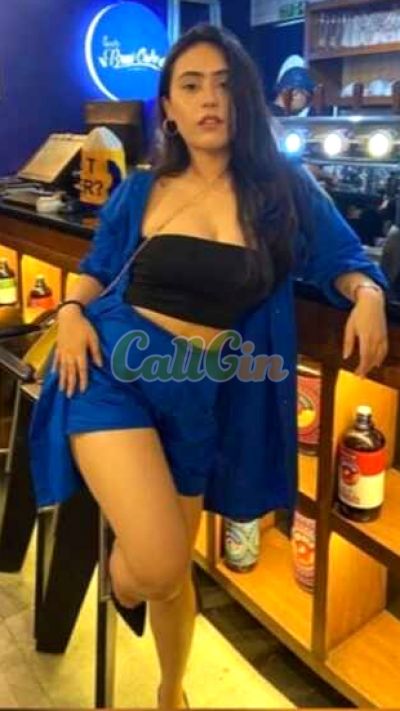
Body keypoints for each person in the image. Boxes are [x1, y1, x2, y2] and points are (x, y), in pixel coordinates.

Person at [29, 23, 388, 710]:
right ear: (168, 106)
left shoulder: (282, 188)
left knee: (173, 575)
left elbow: (344, 257)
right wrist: (71, 311)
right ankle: (121, 579)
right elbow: (97, 267)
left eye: (223, 84)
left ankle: (171, 691)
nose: (209, 99)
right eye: (190, 86)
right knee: (158, 563)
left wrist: (367, 294)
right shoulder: (143, 189)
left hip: (199, 394)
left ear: (244, 97)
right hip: (112, 371)